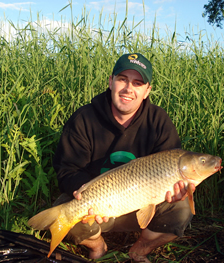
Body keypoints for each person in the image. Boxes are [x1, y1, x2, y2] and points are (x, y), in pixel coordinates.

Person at [52, 53, 195, 263]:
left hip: (143, 205)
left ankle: (140, 249)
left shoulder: (158, 121)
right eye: (122, 80)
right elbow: (67, 169)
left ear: (147, 91)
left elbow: (171, 165)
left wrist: (177, 193)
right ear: (111, 82)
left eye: (137, 83)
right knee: (66, 209)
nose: (129, 89)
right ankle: (98, 245)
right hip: (101, 205)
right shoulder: (84, 119)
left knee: (182, 210)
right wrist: (92, 198)